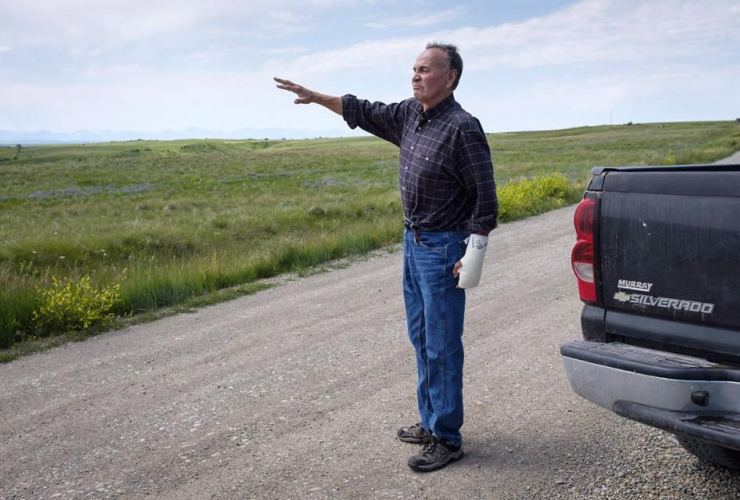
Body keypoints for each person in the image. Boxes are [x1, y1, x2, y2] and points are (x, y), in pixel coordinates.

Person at [275, 42, 498, 472]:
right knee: (420, 337)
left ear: (449, 78)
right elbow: (365, 110)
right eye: (413, 69)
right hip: (413, 244)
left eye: (425, 70)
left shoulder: (462, 127)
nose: (415, 76)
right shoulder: (410, 115)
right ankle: (431, 421)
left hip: (444, 248)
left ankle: (447, 438)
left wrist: (474, 254)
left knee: (442, 344)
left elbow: (485, 199)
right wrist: (318, 96)